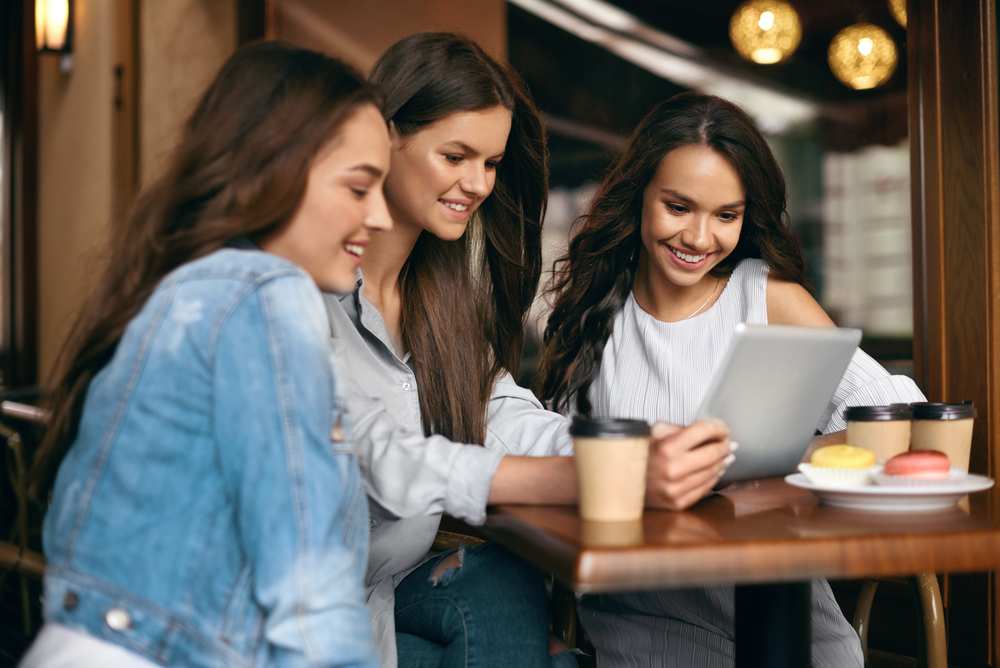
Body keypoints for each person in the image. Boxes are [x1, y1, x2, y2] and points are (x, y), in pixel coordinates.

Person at [324, 33, 733, 668]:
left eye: (490, 163)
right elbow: (365, 461)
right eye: (456, 155)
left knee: (505, 577)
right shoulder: (307, 291)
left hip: (384, 594)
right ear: (383, 136)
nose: (477, 184)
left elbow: (501, 415)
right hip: (309, 615)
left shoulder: (439, 297)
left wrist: (629, 456)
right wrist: (583, 476)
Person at [21, 41, 392, 668]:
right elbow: (309, 579)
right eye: (359, 187)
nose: (379, 215)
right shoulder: (267, 298)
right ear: (273, 167)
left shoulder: (189, 290)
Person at [538, 91, 926, 667]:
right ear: (638, 194)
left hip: (780, 637)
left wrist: (776, 460)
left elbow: (898, 420)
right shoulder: (596, 309)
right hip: (635, 640)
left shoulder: (768, 299)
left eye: (726, 215)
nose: (699, 238)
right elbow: (559, 479)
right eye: (678, 206)